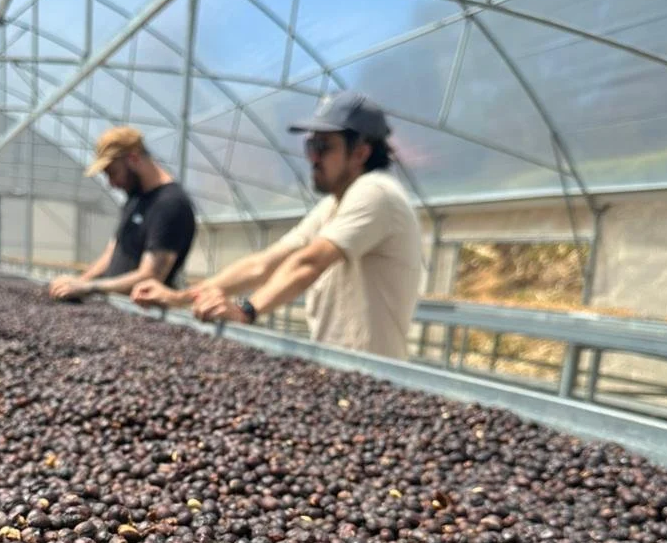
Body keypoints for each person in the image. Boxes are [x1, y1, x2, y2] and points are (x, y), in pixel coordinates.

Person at [131, 92, 422, 359]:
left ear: (360, 152)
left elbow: (309, 261)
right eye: (311, 146)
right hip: (339, 367)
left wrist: (246, 310)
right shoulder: (333, 206)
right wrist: (179, 298)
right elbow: (264, 264)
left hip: (375, 378)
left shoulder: (376, 192)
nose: (313, 158)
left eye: (324, 147)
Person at [49, 126, 196, 301]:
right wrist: (78, 281)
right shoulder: (135, 198)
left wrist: (89, 287)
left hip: (142, 315)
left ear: (133, 158)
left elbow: (150, 277)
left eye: (113, 173)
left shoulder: (170, 204)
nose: (111, 183)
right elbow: (112, 252)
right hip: (115, 306)